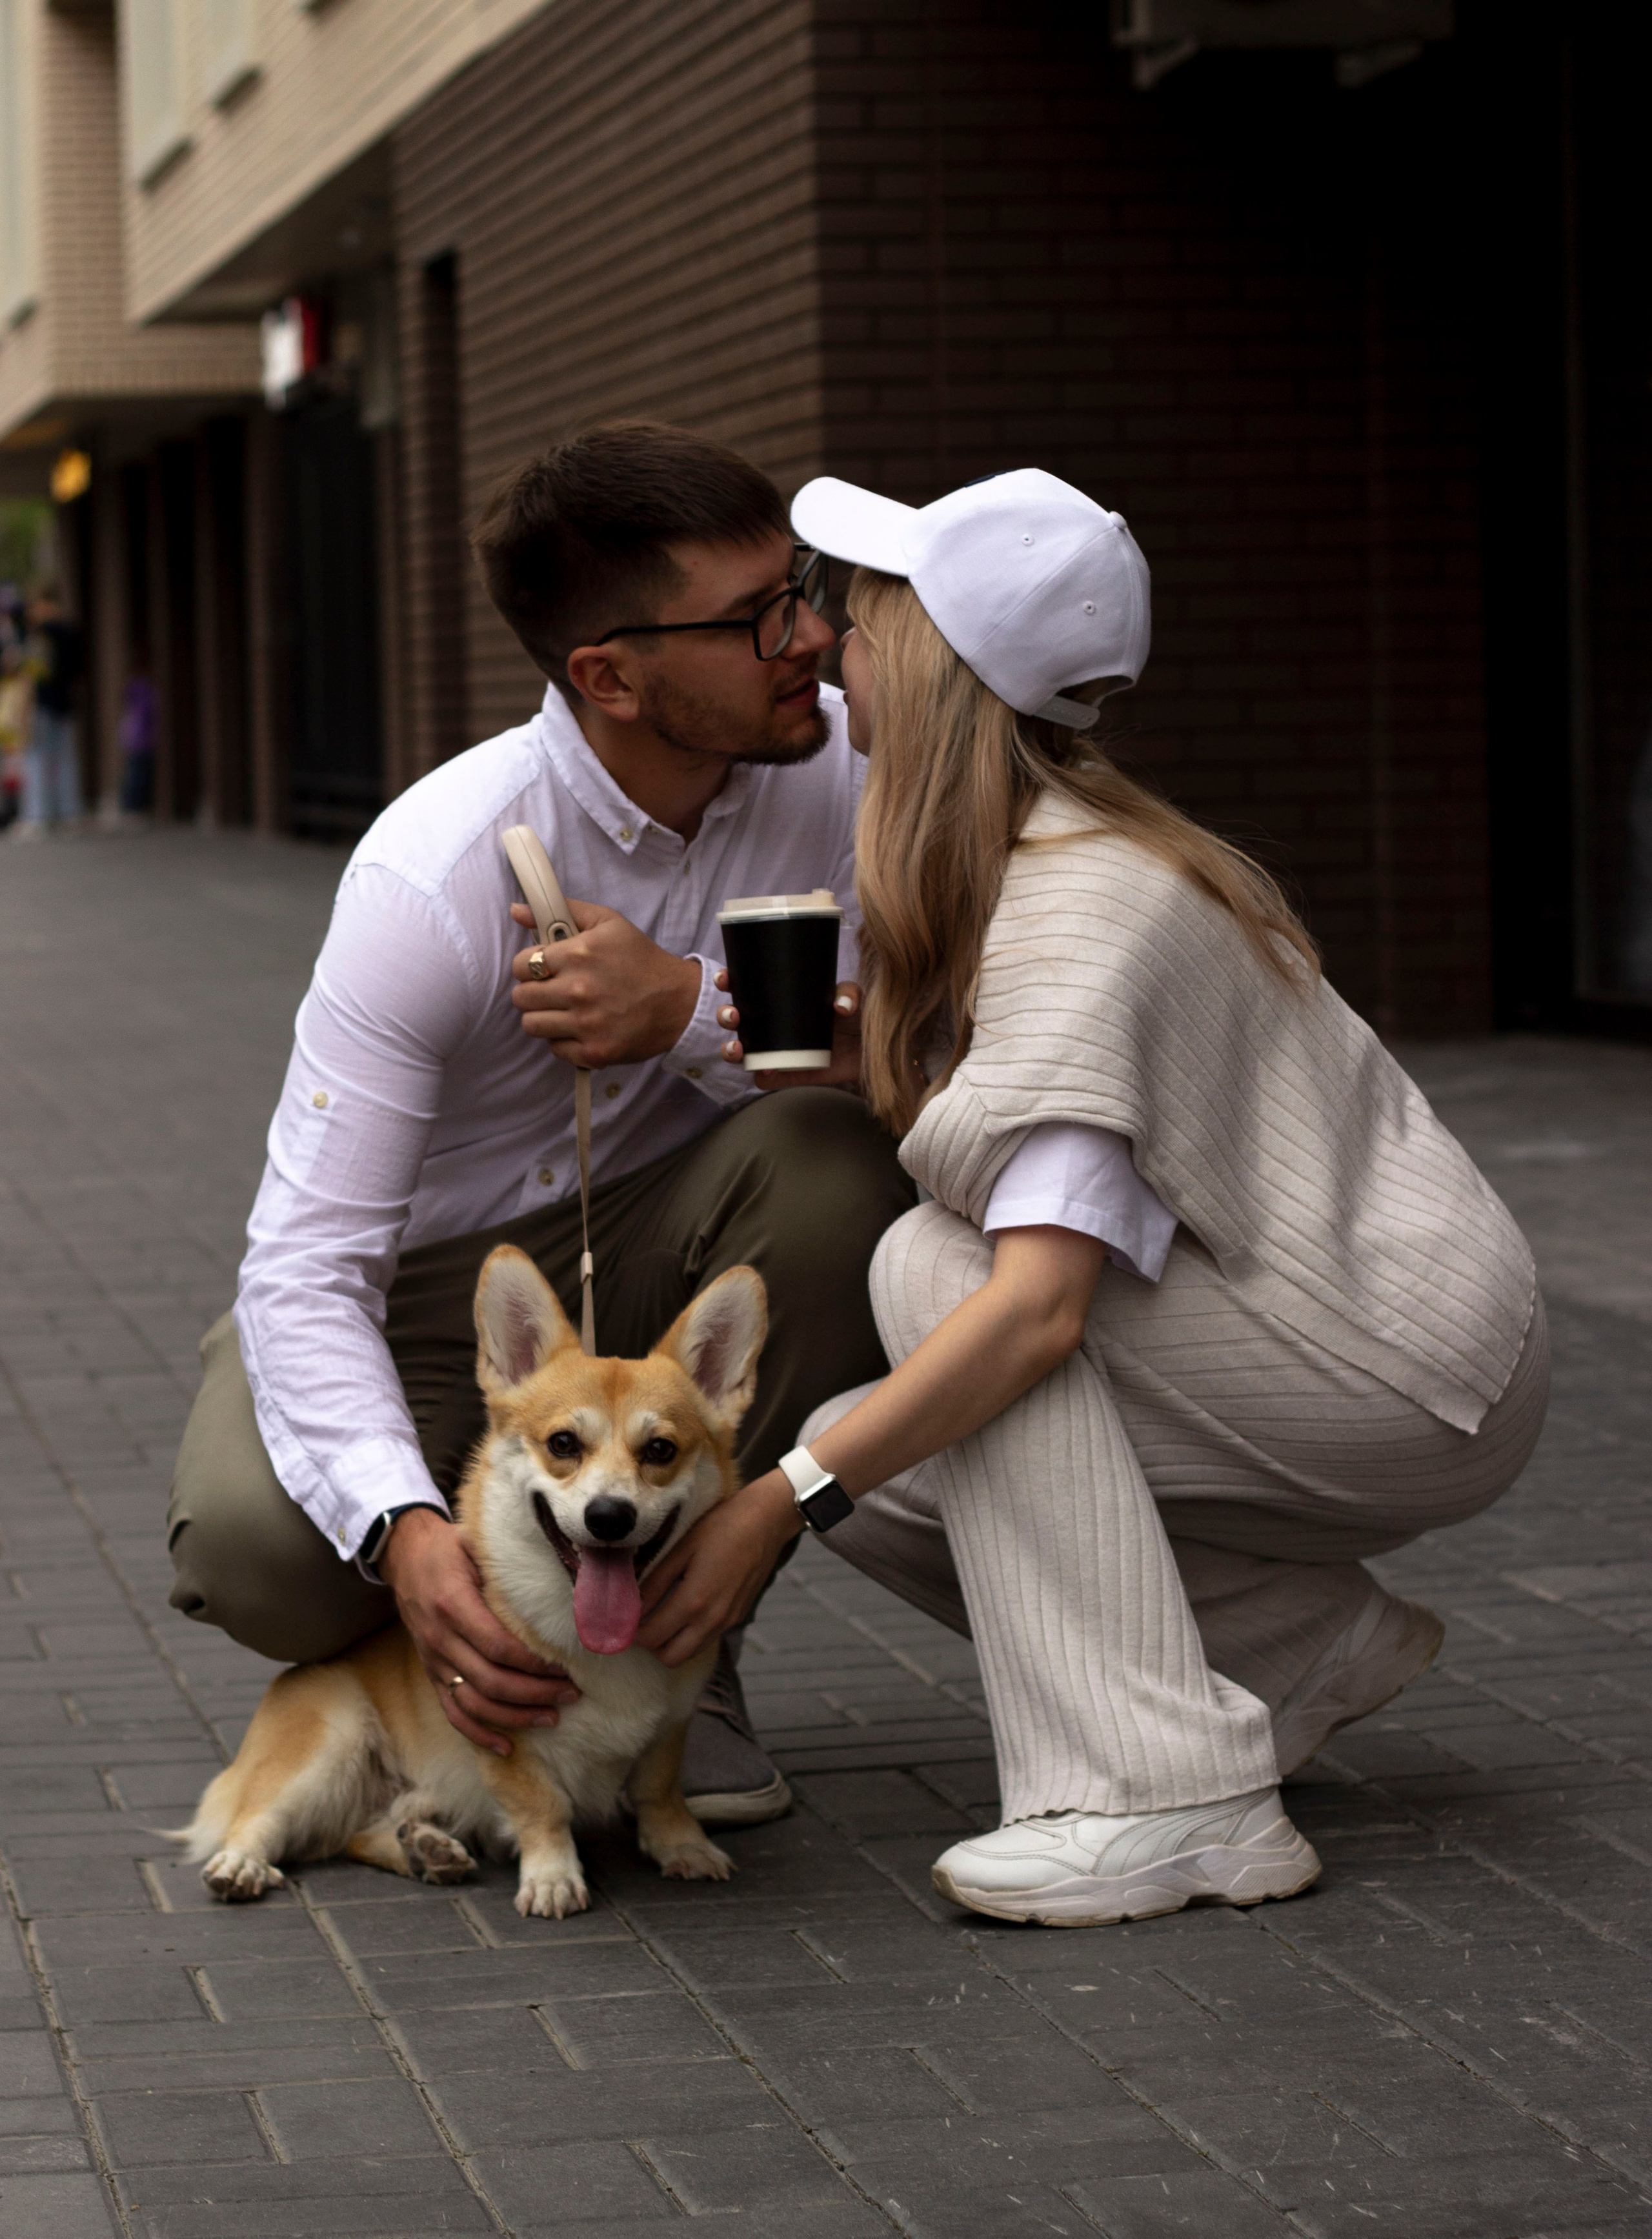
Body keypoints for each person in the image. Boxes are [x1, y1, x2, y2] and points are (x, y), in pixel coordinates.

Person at [636, 468, 1548, 1927]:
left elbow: (1042, 1307)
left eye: (853, 617)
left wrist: (762, 1507)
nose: (821, 642)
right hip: (1383, 1331)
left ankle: (1165, 1798)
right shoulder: (1056, 852)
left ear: (934, 663)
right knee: (870, 1461)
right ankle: (1293, 1649)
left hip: (1401, 1370)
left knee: (936, 1294)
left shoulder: (1076, 906)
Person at [166, 422, 915, 1824]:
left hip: (679, 1237)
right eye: (756, 617)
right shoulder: (433, 874)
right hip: (440, 1290)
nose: (807, 635)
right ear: (609, 676)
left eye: (798, 590)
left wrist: (688, 1009)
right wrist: (404, 1535)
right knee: (261, 1548)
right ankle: (459, 1669)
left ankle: (686, 1658)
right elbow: (308, 1261)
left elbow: (957, 1062)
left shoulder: (842, 780)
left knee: (832, 1175)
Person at [13, 587, 85, 838]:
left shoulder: (40, 635)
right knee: (65, 760)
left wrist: (24, 707)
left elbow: (33, 674)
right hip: (64, 704)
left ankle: (39, 816)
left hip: (42, 705)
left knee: (37, 761)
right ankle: (69, 813)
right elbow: (78, 672)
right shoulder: (70, 632)